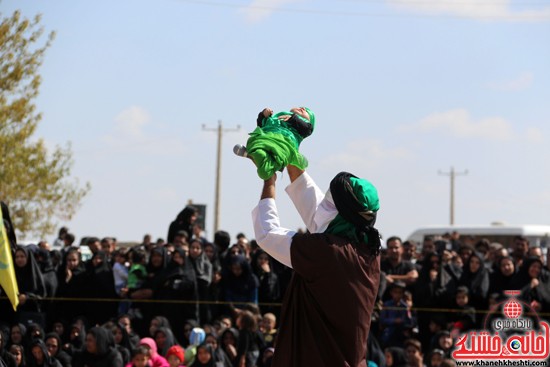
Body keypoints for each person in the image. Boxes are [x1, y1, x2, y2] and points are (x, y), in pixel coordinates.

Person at [251, 163, 381, 366]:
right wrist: (289, 156)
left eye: (330, 205)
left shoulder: (327, 252)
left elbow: (267, 233)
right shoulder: (369, 250)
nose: (323, 207)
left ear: (343, 215)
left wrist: (269, 181)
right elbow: (318, 215)